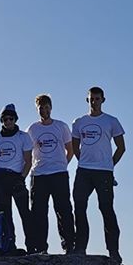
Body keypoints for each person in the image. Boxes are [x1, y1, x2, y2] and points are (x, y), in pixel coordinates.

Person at [71, 87, 126, 261]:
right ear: (87, 100)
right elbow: (75, 145)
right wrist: (83, 160)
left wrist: (110, 164)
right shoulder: (79, 122)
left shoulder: (111, 121)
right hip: (84, 171)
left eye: (97, 99)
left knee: (106, 208)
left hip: (104, 172)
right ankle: (80, 247)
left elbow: (121, 147)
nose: (94, 102)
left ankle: (113, 251)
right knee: (79, 207)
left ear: (103, 100)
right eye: (91, 99)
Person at [26, 94, 75, 254]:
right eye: (41, 108)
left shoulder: (61, 126)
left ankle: (69, 245)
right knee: (39, 212)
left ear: (51, 108)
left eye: (47, 108)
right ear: (37, 109)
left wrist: (62, 164)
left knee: (64, 209)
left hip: (59, 173)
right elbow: (27, 152)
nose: (44, 111)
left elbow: (70, 149)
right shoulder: (32, 129)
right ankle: (41, 247)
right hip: (39, 174)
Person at [0, 103, 33, 255]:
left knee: (25, 213)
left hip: (16, 177)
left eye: (11, 119)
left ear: (15, 119)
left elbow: (28, 161)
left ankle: (32, 245)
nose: (8, 122)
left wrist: (22, 178)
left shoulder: (23, 137)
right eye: (5, 119)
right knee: (5, 216)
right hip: (0, 178)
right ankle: (9, 246)